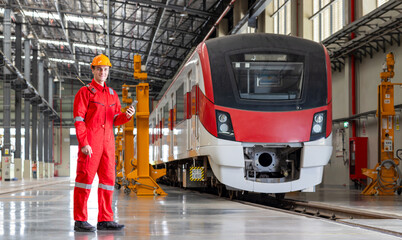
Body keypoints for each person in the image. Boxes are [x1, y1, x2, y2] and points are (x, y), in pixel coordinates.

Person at [73, 54, 135, 232]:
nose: (102, 72)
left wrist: (127, 115)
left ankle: (105, 219)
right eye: (99, 68)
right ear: (92, 70)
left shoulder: (112, 95)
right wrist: (84, 142)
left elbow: (115, 119)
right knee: (84, 181)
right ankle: (80, 220)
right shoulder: (84, 93)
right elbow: (79, 120)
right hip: (91, 143)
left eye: (105, 69)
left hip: (108, 144)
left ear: (108, 71)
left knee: (108, 181)